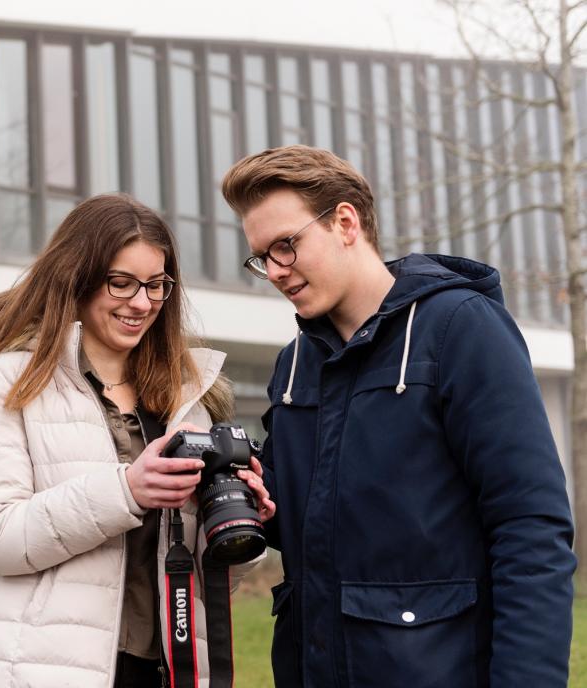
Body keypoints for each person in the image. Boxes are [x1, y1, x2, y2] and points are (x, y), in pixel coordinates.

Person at [220, 145, 577, 687]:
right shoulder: (293, 366)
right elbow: (315, 523)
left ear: (345, 222)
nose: (274, 272)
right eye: (261, 257)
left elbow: (530, 529)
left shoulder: (461, 329)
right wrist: (251, 494)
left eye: (286, 247)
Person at [0, 193, 275, 688]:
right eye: (121, 283)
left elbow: (213, 580)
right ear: (75, 279)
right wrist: (126, 490)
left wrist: (240, 526)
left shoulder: (189, 399)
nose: (141, 303)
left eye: (156, 285)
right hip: (47, 671)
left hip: (172, 669)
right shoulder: (9, 383)